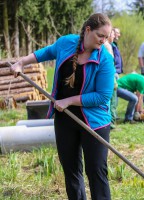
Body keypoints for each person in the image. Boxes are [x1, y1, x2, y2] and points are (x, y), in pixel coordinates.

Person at [11, 13, 115, 200]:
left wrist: (69, 100)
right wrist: (21, 63)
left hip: (95, 123)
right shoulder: (66, 43)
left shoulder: (105, 59)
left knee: (96, 172)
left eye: (106, 37)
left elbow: (103, 96)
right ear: (88, 30)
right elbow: (46, 53)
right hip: (64, 117)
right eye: (101, 35)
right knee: (71, 171)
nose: (104, 40)